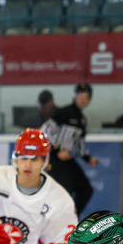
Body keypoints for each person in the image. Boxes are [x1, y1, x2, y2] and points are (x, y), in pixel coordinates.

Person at [43, 82, 99, 216]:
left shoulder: (82, 119)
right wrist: (57, 150)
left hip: (67, 159)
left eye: (86, 97)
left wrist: (88, 159)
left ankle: (71, 218)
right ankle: (55, 219)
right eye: (80, 96)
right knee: (64, 190)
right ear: (75, 96)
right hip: (54, 158)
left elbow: (79, 144)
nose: (83, 100)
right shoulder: (64, 112)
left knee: (85, 189)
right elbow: (46, 131)